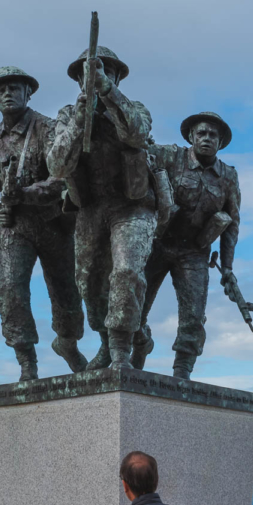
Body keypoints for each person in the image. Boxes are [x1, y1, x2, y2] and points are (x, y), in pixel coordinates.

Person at [0, 66, 87, 380]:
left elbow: (62, 177)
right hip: (15, 227)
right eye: (1, 90)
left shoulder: (48, 129)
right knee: (10, 292)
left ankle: (67, 343)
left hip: (54, 223)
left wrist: (24, 194)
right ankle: (27, 362)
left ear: (28, 92)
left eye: (14, 88)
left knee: (67, 294)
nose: (8, 93)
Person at [47, 48, 157, 369]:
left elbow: (136, 134)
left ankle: (121, 349)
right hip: (91, 209)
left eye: (104, 71)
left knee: (125, 272)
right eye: (88, 72)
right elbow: (56, 165)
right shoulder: (68, 115)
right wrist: (81, 119)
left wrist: (108, 93)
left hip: (132, 206)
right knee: (90, 283)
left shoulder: (134, 108)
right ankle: (116, 341)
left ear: (116, 76)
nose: (94, 76)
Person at [131, 112, 241, 380]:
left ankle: (182, 371)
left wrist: (227, 268)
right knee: (132, 306)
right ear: (191, 137)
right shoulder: (170, 156)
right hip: (158, 244)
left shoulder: (228, 177)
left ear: (221, 142)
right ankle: (140, 341)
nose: (206, 139)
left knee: (194, 314)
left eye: (213, 135)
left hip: (194, 251)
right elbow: (136, 153)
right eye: (201, 133)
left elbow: (232, 223)